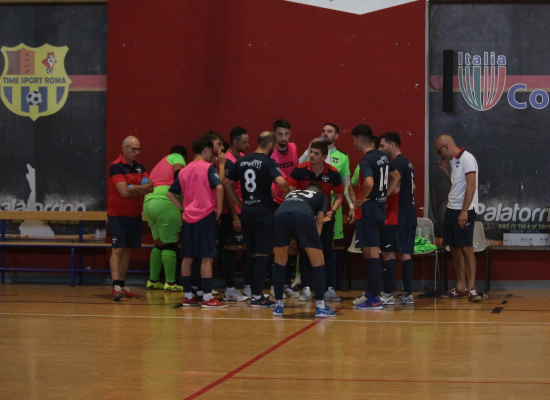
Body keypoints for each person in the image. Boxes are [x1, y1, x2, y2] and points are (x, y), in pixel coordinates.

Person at [224, 131, 289, 308]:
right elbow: (282, 183)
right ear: (270, 145)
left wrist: (240, 203)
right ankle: (258, 297)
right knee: (262, 255)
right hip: (263, 212)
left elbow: (227, 183)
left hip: (247, 212)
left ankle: (253, 294)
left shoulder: (241, 160)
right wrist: (288, 194)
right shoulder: (268, 162)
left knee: (251, 254)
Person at [166, 137, 227, 308]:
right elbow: (219, 186)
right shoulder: (208, 168)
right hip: (205, 216)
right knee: (207, 257)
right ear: (206, 149)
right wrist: (219, 208)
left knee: (187, 258)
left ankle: (188, 296)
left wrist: (183, 208)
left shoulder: (184, 170)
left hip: (188, 219)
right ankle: (207, 297)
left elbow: (170, 193)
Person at [287, 141, 344, 302]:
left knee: (326, 251)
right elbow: (290, 190)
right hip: (304, 218)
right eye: (311, 152)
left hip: (325, 219)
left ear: (324, 157)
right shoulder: (300, 170)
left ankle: (329, 288)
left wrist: (332, 211)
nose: (311, 155)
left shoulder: (332, 172)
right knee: (304, 251)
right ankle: (306, 287)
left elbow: (339, 196)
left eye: (316, 153)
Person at [351, 124, 400, 310]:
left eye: (353, 141)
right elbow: (396, 176)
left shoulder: (366, 160)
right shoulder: (382, 156)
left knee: (372, 254)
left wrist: (361, 200)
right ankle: (371, 294)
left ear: (359, 139)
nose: (353, 144)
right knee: (369, 252)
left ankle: (374, 299)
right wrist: (384, 195)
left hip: (369, 209)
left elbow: (369, 183)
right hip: (379, 209)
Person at [272, 182, 337, 318]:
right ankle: (320, 307)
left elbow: (290, 213)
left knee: (279, 261)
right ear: (318, 191)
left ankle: (278, 306)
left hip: (279, 215)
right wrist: (316, 247)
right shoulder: (322, 197)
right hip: (303, 216)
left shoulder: (292, 194)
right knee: (318, 263)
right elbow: (319, 221)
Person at [435, 134, 481, 302]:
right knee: (454, 247)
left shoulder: (468, 158)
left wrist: (464, 211)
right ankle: (460, 287)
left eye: (439, 151)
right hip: (451, 208)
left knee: (466, 248)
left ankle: (472, 288)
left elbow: (471, 185)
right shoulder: (454, 161)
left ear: (446, 145)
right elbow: (455, 184)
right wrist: (446, 171)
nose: (440, 156)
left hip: (464, 210)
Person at [107, 136, 153, 300]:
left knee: (127, 249)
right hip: (117, 215)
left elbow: (150, 187)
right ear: (124, 148)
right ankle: (115, 287)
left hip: (134, 215)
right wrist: (139, 189)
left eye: (139, 149)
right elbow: (124, 192)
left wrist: (133, 187)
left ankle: (122, 284)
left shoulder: (140, 167)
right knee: (118, 249)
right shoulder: (116, 167)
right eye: (134, 149)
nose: (137, 152)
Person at [378, 132, 417, 305]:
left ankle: (387, 295)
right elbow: (413, 187)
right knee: (404, 254)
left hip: (395, 215)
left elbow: (395, 189)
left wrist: (381, 195)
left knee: (388, 254)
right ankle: (407, 294)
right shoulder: (407, 162)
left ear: (392, 146)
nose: (380, 149)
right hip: (408, 215)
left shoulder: (396, 163)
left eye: (382, 146)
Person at [299, 123, 354, 243]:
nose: (325, 133)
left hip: (332, 204)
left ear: (336, 136)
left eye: (329, 131)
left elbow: (346, 184)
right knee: (307, 240)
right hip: (310, 203)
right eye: (323, 131)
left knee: (328, 241)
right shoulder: (312, 153)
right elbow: (297, 167)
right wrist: (308, 148)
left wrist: (351, 206)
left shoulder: (343, 156)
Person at [143, 145, 187, 292]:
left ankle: (153, 280)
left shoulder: (160, 163)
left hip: (148, 202)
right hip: (165, 202)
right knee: (170, 244)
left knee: (159, 244)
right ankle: (171, 283)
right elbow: (179, 175)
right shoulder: (177, 157)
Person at [270, 119, 300, 298]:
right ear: (274, 134)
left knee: (292, 244)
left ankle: (287, 283)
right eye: (280, 134)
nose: (283, 137)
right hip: (276, 200)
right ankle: (275, 285)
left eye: (286, 134)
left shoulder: (294, 148)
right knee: (277, 245)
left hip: (291, 200)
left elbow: (296, 169)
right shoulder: (270, 151)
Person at [220, 127, 250, 302]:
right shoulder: (228, 161)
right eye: (244, 142)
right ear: (235, 142)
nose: (247, 145)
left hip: (243, 211)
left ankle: (248, 288)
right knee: (231, 249)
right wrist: (235, 216)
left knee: (247, 248)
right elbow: (226, 190)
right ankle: (229, 289)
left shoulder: (242, 158)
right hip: (233, 214)